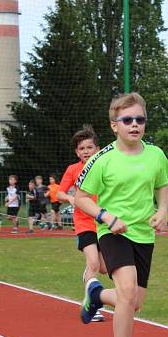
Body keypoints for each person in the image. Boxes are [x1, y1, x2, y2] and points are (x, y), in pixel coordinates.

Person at [75, 93, 168, 337]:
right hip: (112, 233)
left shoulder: (156, 154)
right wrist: (106, 217)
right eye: (127, 120)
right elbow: (81, 198)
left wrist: (163, 210)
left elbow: (162, 184)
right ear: (114, 125)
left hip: (143, 234)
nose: (134, 125)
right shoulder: (101, 159)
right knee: (127, 292)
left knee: (134, 301)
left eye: (139, 119)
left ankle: (96, 295)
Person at [57, 125, 107, 322]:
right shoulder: (73, 169)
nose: (86, 151)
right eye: (82, 149)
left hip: (103, 222)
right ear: (77, 152)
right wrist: (70, 199)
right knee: (93, 262)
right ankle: (92, 305)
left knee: (103, 268)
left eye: (89, 147)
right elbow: (60, 192)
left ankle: (89, 275)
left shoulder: (105, 166)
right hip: (84, 223)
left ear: (97, 148)